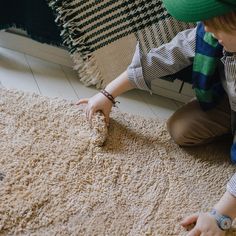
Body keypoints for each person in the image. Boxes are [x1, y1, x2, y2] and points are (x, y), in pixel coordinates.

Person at [78, 0, 236, 234]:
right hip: (229, 105)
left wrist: (221, 214)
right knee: (180, 129)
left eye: (216, 25)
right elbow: (164, 57)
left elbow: (221, 215)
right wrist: (108, 93)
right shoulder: (209, 35)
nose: (208, 29)